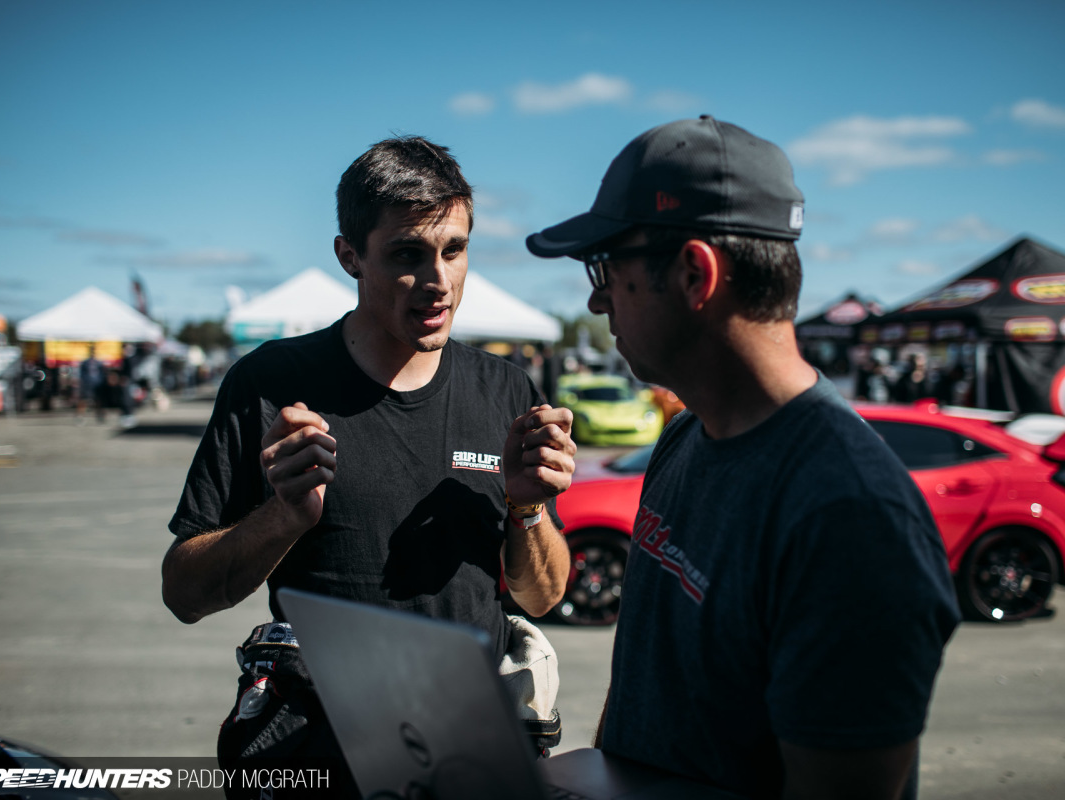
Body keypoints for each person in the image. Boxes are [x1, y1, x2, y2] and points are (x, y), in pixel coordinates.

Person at [526, 116, 960, 799]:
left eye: (607, 267)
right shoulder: (684, 438)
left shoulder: (849, 515)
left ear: (695, 273)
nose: (595, 297)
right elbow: (648, 689)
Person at [163, 135, 575, 791]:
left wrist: (526, 507)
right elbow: (184, 594)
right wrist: (284, 517)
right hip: (321, 753)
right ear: (349, 256)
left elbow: (542, 595)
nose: (438, 282)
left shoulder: (505, 389)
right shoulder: (272, 385)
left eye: (454, 250)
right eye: (408, 254)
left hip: (471, 750)